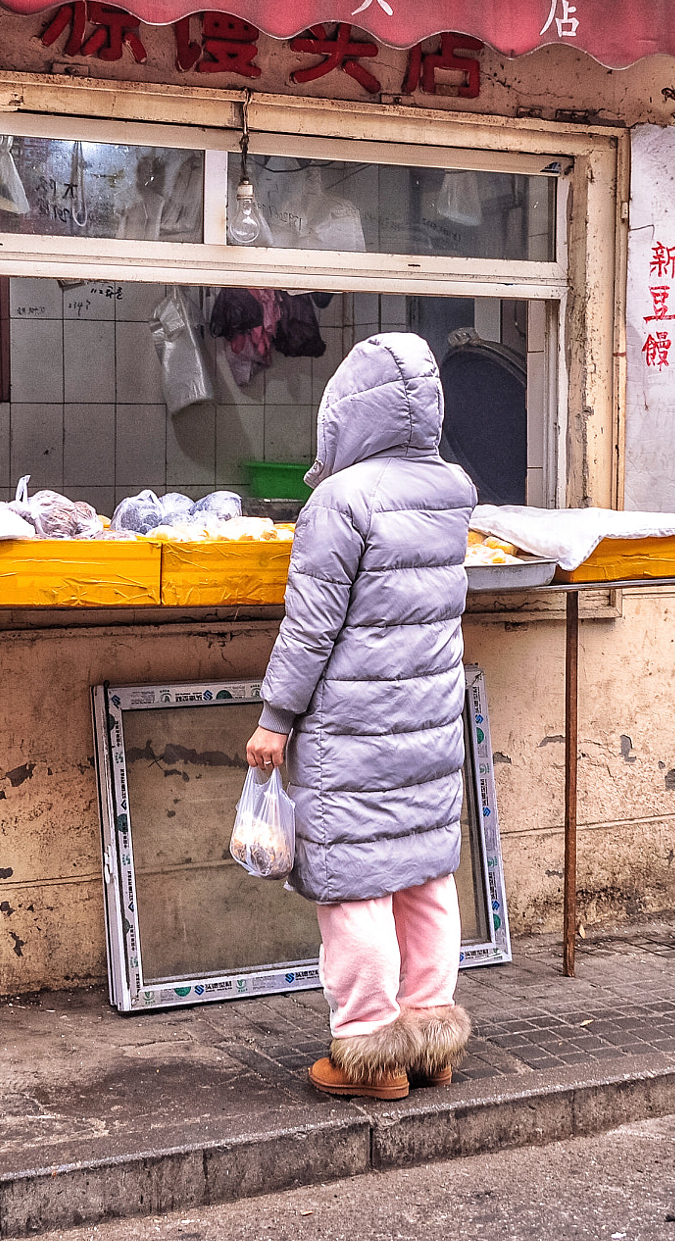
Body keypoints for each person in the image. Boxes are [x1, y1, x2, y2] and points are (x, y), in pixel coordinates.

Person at [245, 331, 478, 1100]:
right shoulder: (453, 488)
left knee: (357, 889)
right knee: (423, 876)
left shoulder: (340, 501)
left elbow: (310, 627)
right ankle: (429, 1042)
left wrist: (275, 719)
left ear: (349, 410)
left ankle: (370, 1056)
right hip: (431, 724)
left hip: (354, 731)